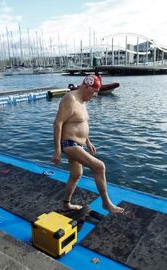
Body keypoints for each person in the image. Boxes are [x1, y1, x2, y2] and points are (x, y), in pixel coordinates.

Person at [52, 75, 124, 214]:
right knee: (99, 167)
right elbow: (58, 123)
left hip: (79, 144)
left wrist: (88, 141)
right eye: (94, 92)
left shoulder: (82, 101)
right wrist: (57, 151)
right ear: (86, 87)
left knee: (76, 174)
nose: (95, 95)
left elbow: (79, 123)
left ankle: (66, 204)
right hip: (69, 143)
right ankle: (106, 203)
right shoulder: (70, 99)